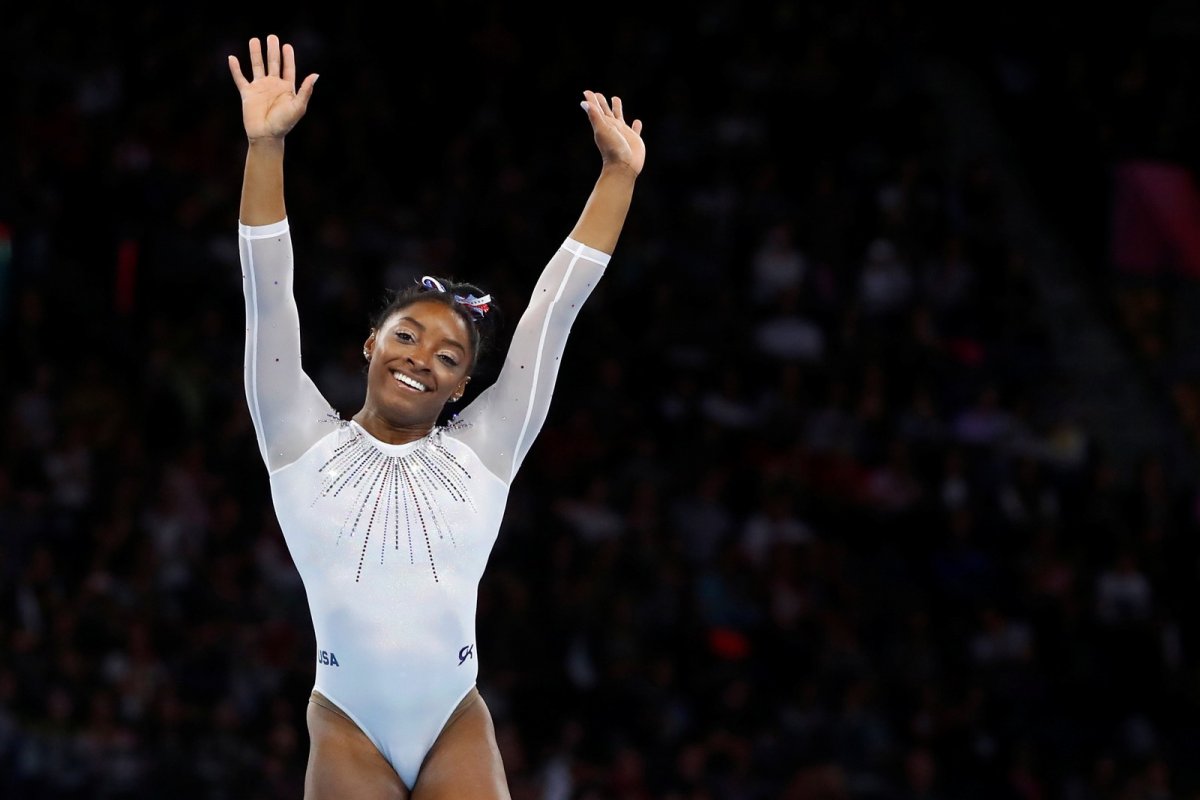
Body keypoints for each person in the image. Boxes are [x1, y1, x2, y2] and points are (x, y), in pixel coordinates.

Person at [227, 33, 645, 799]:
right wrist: (265, 147)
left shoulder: (485, 449)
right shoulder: (295, 436)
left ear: (461, 389)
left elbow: (555, 311)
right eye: (408, 336)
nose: (423, 358)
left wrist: (619, 174)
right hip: (348, 722)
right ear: (369, 345)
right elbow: (267, 291)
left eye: (450, 357)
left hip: (454, 717)